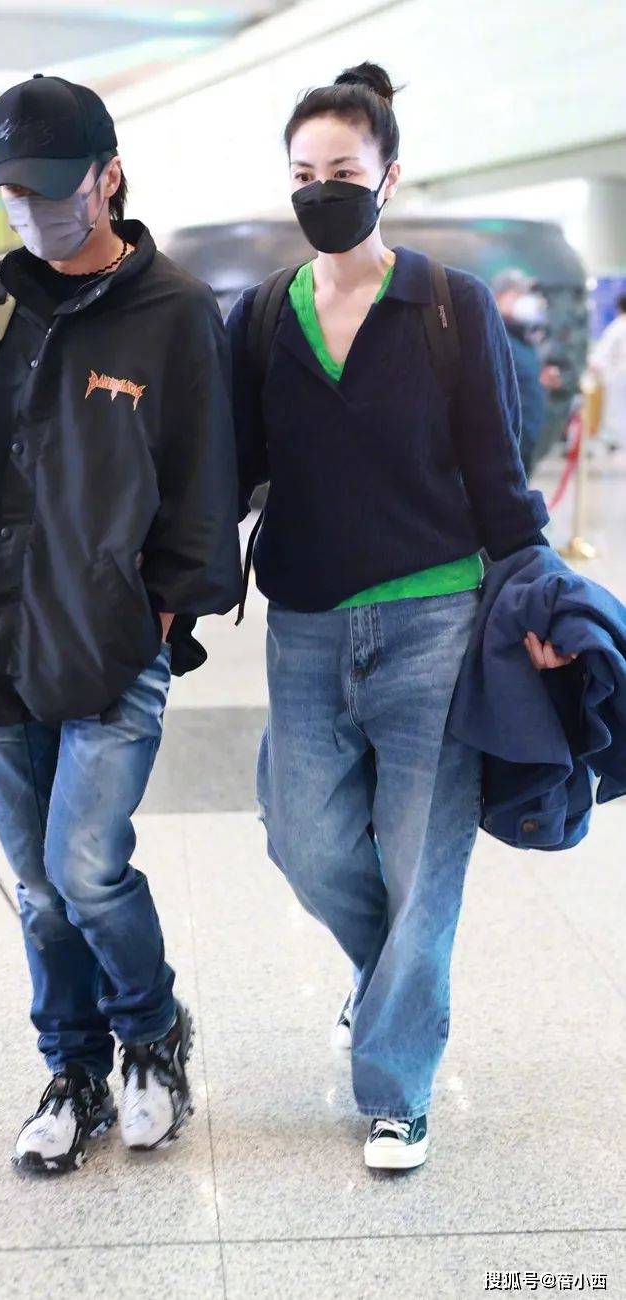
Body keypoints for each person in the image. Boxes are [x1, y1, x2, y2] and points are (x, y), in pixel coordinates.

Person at [229, 62, 575, 1172]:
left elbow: (498, 473)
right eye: (301, 174)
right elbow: (229, 471)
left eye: (340, 169)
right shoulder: (261, 316)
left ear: (387, 177)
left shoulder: (446, 304)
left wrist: (535, 597)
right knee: (301, 836)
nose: (319, 190)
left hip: (434, 618)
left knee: (421, 859)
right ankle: (389, 981)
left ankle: (395, 1087)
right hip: (304, 622)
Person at [0, 74, 241, 1174]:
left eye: (54, 189)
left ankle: (152, 1037)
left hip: (109, 647)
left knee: (84, 868)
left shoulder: (173, 311)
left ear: (109, 175)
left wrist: (154, 619)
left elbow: (203, 492)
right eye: (15, 194)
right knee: (40, 891)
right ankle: (73, 1069)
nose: (35, 212)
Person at [492, 268, 561, 475]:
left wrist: (542, 380)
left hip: (527, 438)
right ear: (498, 297)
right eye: (516, 294)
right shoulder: (493, 337)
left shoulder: (522, 338)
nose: (524, 300)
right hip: (506, 445)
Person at [590, 292, 626, 451]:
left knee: (617, 412)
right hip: (619, 374)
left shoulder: (617, 327)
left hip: (619, 376)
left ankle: (618, 445)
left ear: (619, 308)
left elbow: (601, 355)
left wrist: (595, 369)